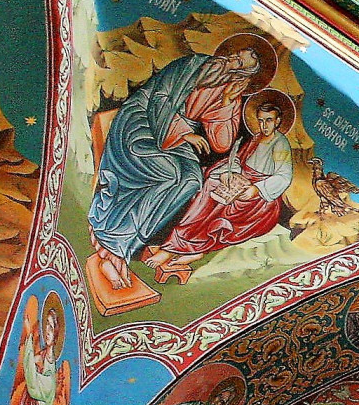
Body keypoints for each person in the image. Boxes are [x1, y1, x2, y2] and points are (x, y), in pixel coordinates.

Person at [88, 34, 276, 292]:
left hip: (176, 141)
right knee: (168, 175)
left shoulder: (230, 93)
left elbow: (221, 144)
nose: (236, 60)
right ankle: (113, 250)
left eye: (244, 63)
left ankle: (125, 247)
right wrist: (184, 133)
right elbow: (159, 98)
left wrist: (227, 104)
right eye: (239, 55)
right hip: (142, 122)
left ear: (248, 74)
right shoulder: (192, 65)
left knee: (190, 181)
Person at [151, 91, 296, 280]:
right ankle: (179, 244)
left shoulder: (280, 143)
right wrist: (229, 173)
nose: (264, 125)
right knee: (211, 185)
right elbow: (237, 158)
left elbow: (284, 176)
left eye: (269, 120)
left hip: (259, 200)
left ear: (278, 121)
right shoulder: (256, 138)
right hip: (241, 181)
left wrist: (256, 189)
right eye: (261, 121)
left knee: (222, 207)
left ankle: (188, 248)